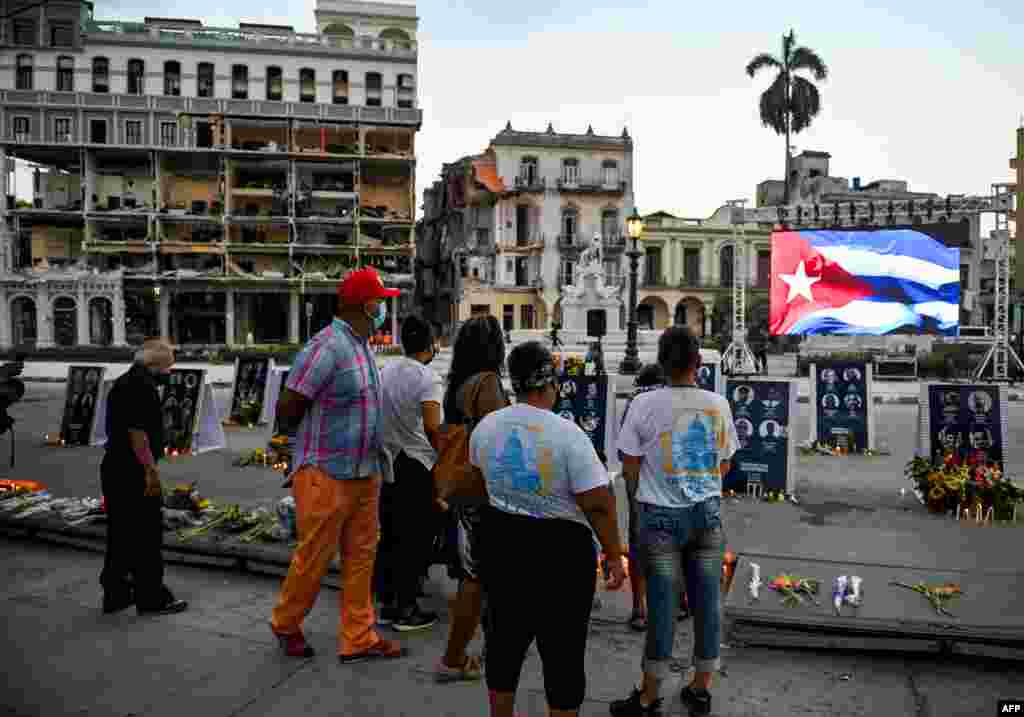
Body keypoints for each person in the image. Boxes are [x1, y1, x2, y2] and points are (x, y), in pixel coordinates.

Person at [472, 341, 626, 717]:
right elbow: (599, 505)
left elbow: (478, 486)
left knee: (503, 644)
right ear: (549, 383)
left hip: (502, 545)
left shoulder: (487, 426)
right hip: (560, 557)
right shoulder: (568, 435)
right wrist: (613, 554)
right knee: (563, 655)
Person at [270, 267, 403, 664]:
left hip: (365, 472)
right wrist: (295, 449)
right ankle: (286, 623)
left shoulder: (361, 344)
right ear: (366, 304)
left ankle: (358, 636)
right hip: (326, 472)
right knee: (314, 557)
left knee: (361, 558)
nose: (383, 308)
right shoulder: (326, 347)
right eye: (380, 301)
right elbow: (288, 406)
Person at [612, 326, 739, 717]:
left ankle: (649, 695)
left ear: (662, 364)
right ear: (698, 363)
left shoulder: (644, 404)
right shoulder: (718, 404)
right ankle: (701, 688)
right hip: (706, 515)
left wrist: (651, 491)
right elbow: (725, 462)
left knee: (662, 607)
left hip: (660, 517)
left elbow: (629, 464)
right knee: (707, 603)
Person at [435, 315, 510, 683]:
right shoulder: (488, 383)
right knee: (475, 578)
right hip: (481, 491)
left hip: (463, 486)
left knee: (478, 574)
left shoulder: (458, 384)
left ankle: (482, 644)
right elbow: (497, 438)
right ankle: (452, 657)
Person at [99, 338, 188, 616]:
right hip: (132, 470)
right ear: (153, 365)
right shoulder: (142, 387)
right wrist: (150, 471)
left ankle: (116, 593)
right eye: (166, 368)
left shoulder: (124, 382)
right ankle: (151, 598)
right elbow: (138, 435)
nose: (169, 374)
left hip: (114, 467)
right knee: (146, 536)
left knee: (121, 534)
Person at [375, 314, 443, 632]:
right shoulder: (427, 377)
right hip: (417, 463)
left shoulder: (385, 370)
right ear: (429, 344)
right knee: (415, 537)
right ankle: (406, 608)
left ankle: (387, 604)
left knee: (390, 533)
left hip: (390, 461)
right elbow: (432, 426)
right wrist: (446, 456)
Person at [618, 364, 666, 633]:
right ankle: (679, 601)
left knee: (639, 542)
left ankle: (639, 608)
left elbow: (622, 451)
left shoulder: (634, 402)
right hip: (670, 480)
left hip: (638, 480)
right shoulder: (674, 399)